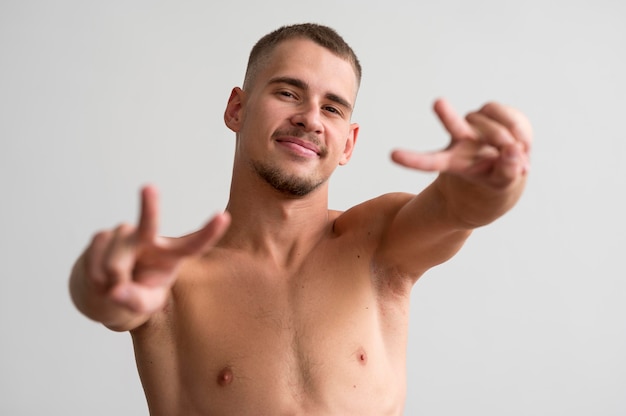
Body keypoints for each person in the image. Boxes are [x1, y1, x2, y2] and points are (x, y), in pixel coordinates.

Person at [69, 23, 531, 416]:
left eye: (332, 107)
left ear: (348, 143)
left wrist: (495, 181)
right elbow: (111, 299)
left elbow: (457, 208)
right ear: (237, 108)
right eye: (288, 92)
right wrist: (98, 282)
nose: (310, 119)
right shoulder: (172, 278)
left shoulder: (380, 244)